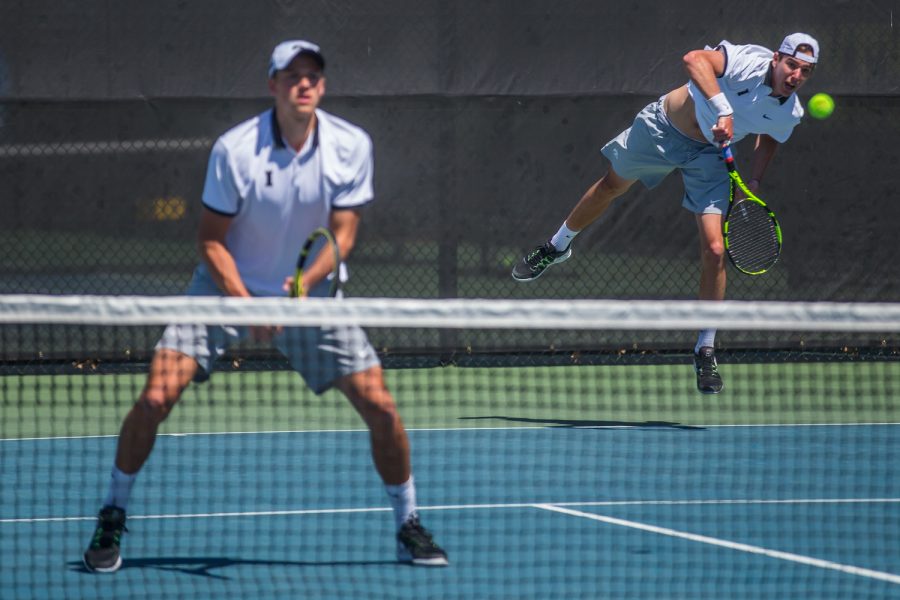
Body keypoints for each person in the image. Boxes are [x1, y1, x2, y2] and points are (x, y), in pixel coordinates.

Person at [83, 39, 448, 572]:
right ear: (272, 84)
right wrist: (248, 303)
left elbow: (342, 237)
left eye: (313, 76)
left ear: (322, 86)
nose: (304, 84)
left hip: (311, 297)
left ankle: (408, 523)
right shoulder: (235, 150)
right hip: (222, 288)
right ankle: (113, 512)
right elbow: (210, 240)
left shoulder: (351, 145)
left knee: (383, 408)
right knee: (156, 396)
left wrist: (298, 289)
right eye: (292, 75)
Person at [511, 33, 819, 394]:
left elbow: (771, 137)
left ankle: (705, 346)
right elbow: (693, 59)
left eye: (806, 71)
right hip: (663, 129)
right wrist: (724, 108)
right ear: (776, 60)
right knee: (611, 186)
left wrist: (751, 182)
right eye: (792, 65)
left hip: (711, 157)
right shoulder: (745, 61)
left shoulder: (789, 111)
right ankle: (556, 247)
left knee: (716, 250)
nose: (796, 75)